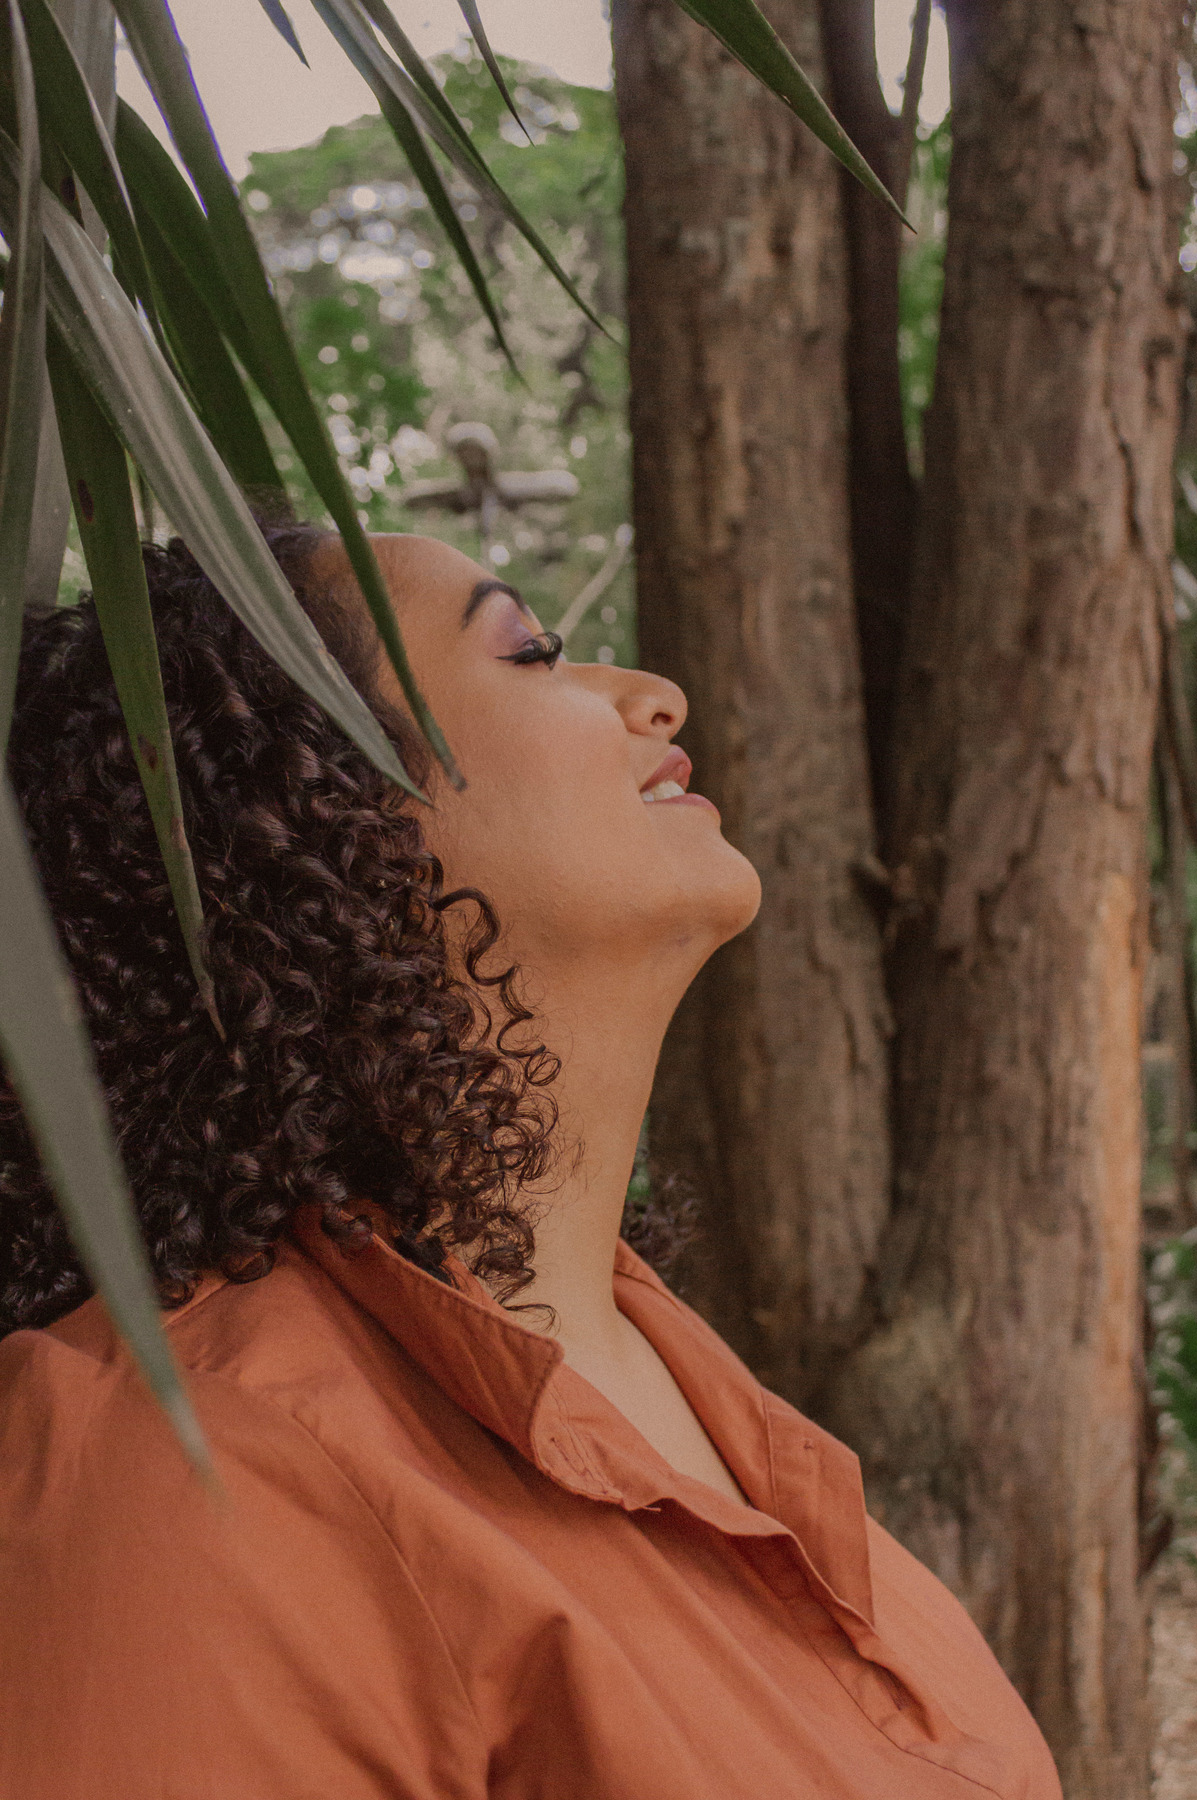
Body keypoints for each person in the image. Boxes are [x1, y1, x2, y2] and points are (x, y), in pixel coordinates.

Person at [0, 526, 1062, 1799]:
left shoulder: (698, 1392)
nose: (653, 695)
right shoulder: (184, 1483)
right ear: (314, 822)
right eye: (534, 650)